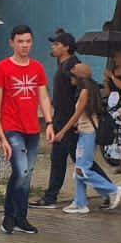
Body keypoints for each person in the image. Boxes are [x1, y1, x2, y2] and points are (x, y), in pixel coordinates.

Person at [0, 25, 53, 235]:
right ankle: (10, 215)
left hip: (32, 127)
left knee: (27, 173)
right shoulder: (2, 68)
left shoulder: (37, 67)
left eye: (28, 41)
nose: (24, 45)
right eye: (20, 41)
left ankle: (20, 217)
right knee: (22, 170)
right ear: (12, 43)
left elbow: (43, 97)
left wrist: (50, 123)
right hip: (11, 126)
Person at [62, 63, 121, 214]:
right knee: (79, 169)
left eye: (72, 76)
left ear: (78, 77)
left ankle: (113, 189)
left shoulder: (85, 92)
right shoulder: (88, 90)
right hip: (84, 133)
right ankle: (80, 203)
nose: (70, 80)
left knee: (82, 170)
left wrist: (62, 131)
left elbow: (77, 114)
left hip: (88, 135)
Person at [33, 31, 82, 208]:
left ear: (66, 47)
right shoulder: (61, 64)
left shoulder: (73, 65)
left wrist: (77, 118)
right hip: (59, 118)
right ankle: (50, 197)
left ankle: (109, 189)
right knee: (58, 159)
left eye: (57, 44)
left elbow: (80, 91)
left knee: (81, 160)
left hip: (70, 120)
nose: (53, 47)